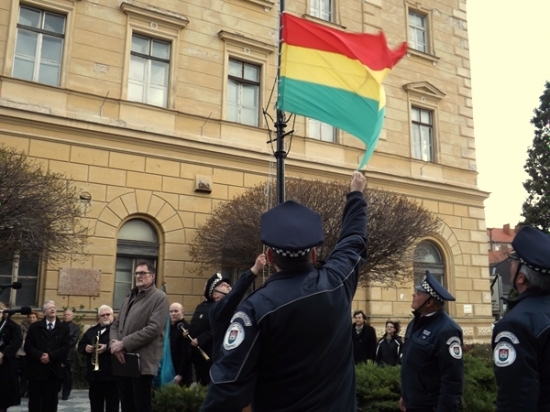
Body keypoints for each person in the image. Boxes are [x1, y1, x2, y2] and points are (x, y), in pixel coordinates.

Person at [201, 171, 367, 412]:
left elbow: (227, 386)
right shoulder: (338, 281)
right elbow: (354, 239)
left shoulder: (256, 308)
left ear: (269, 257)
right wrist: (356, 194)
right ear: (313, 254)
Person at [492, 226, 550, 411]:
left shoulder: (515, 325)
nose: (510, 266)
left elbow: (516, 398)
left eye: (513, 261)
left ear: (521, 278)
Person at [400, 271, 464, 412]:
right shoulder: (415, 323)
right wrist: (405, 395)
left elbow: (452, 378)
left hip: (430, 407)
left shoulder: (447, 331)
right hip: (412, 404)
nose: (413, 295)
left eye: (418, 293)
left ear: (429, 302)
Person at [110, 261, 169, 412]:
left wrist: (124, 343)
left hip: (143, 363)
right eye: (136, 273)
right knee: (126, 406)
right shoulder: (129, 296)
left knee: (141, 406)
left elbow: (154, 328)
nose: (138, 276)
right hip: (123, 360)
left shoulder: (159, 297)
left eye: (142, 273)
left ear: (152, 276)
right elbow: (116, 324)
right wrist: (114, 345)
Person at [208, 254, 266, 363]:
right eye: (223, 285)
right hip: (224, 361)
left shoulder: (234, 307)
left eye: (228, 285)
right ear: (215, 295)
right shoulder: (216, 309)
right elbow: (234, 295)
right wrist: (254, 270)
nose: (228, 286)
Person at [25, 301, 71, 412]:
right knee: (35, 402)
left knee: (51, 402)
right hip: (37, 370)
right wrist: (40, 355)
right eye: (49, 308)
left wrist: (50, 356)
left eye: (54, 307)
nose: (52, 309)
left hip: (53, 371)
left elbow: (65, 347)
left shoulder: (64, 328)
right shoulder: (35, 327)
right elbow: (28, 346)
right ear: (44, 312)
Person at [78, 305, 119, 412]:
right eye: (102, 315)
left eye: (108, 314)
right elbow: (81, 345)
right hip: (95, 376)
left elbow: (120, 344)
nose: (105, 317)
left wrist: (106, 347)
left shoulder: (117, 330)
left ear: (112, 315)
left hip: (111, 375)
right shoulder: (91, 331)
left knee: (112, 404)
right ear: (98, 317)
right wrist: (85, 348)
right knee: (95, 404)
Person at [189, 281, 216, 385]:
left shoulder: (215, 306)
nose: (205, 288)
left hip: (209, 351)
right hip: (197, 352)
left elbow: (215, 329)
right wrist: (188, 332)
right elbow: (195, 323)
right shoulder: (200, 306)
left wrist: (200, 339)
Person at [0, 303, 23, 412]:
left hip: (5, 363)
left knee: (3, 394)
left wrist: (3, 353)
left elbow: (16, 342)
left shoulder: (12, 326)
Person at [168, 303, 193, 387]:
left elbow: (187, 353)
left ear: (182, 312)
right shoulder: (170, 328)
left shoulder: (186, 328)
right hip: (171, 367)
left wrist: (180, 373)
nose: (173, 314)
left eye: (176, 311)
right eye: (171, 311)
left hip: (182, 371)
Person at [17, 311, 39, 398]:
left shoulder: (39, 327)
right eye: (30, 317)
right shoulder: (22, 326)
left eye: (33, 317)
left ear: (37, 318)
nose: (32, 319)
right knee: (23, 373)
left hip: (35, 353)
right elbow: (20, 338)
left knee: (33, 373)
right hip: (24, 352)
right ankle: (23, 390)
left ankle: (31, 391)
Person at [61, 309, 80, 400]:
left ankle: (66, 393)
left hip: (68, 354)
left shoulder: (75, 328)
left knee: (66, 374)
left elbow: (73, 341)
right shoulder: (59, 326)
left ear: (72, 317)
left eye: (68, 315)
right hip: (57, 354)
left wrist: (62, 345)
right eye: (65, 314)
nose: (66, 316)